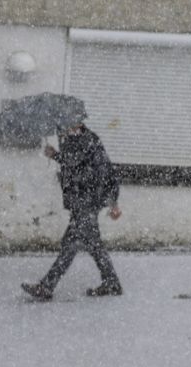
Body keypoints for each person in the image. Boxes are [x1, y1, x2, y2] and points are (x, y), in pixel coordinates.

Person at [21, 123, 123, 300]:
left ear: (78, 124)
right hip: (80, 203)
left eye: (69, 123)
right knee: (94, 245)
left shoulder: (89, 140)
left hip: (88, 203)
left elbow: (100, 171)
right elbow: (76, 164)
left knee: (71, 244)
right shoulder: (73, 140)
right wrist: (57, 156)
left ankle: (46, 287)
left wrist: (113, 202)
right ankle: (112, 282)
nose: (65, 128)